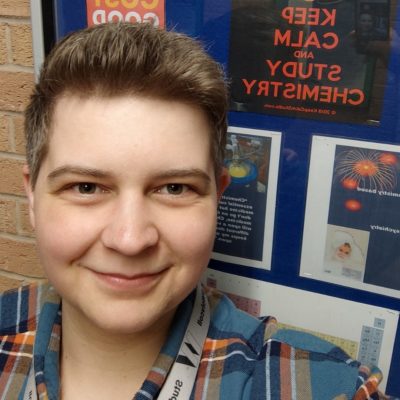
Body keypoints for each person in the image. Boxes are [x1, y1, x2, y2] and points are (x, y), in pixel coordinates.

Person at [0, 22, 385, 399]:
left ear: (217, 197)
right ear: (32, 197)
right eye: (85, 187)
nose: (131, 240)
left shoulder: (318, 384)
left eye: (174, 188)